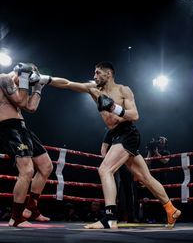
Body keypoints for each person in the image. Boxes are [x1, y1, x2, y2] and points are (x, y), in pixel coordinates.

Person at [48, 61, 181, 229]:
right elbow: (67, 84)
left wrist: (114, 107)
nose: (94, 76)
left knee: (105, 170)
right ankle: (171, 209)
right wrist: (44, 79)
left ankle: (109, 219)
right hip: (117, 135)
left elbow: (135, 115)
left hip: (128, 133)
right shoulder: (93, 89)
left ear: (108, 74)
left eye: (97, 73)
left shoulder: (123, 90)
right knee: (145, 177)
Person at [0, 63, 53, 227]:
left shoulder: (19, 85)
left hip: (22, 128)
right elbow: (22, 102)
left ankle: (31, 208)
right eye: (25, 80)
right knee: (27, 170)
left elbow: (31, 107)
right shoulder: (4, 78)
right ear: (19, 73)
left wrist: (38, 87)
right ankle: (15, 217)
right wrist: (23, 79)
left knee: (46, 166)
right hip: (8, 128)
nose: (25, 85)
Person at [101, 128, 138, 222]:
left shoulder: (128, 132)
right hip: (113, 164)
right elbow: (103, 149)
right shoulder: (111, 131)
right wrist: (107, 164)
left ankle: (131, 217)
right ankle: (113, 216)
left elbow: (132, 151)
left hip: (125, 163)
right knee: (114, 189)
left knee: (129, 190)